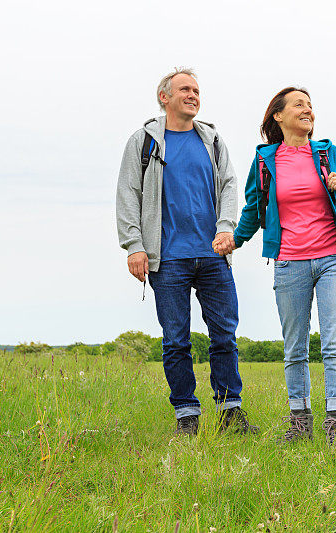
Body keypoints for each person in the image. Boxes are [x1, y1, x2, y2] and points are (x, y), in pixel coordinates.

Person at [116, 68, 257, 436]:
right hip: (168, 258)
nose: (193, 95)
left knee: (224, 336)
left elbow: (229, 185)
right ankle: (186, 416)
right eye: (185, 89)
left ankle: (230, 413)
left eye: (196, 90)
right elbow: (128, 193)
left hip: (213, 256)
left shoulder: (211, 139)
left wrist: (227, 227)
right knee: (176, 340)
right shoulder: (143, 141)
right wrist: (134, 246)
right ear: (164, 97)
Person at [219, 87, 336, 445]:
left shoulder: (327, 153)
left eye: (310, 105)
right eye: (299, 104)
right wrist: (235, 238)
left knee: (333, 343)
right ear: (279, 116)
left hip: (333, 259)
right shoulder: (265, 161)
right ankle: (300, 421)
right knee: (295, 346)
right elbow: (253, 209)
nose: (308, 109)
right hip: (289, 263)